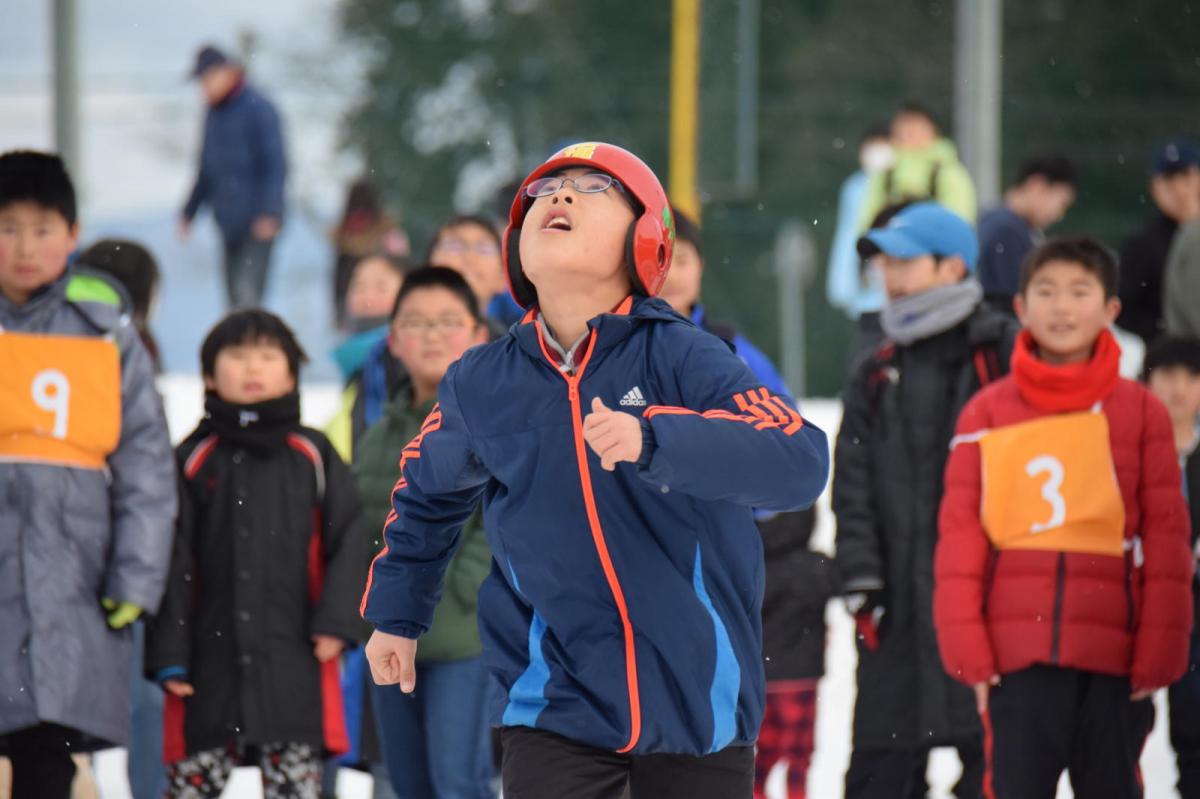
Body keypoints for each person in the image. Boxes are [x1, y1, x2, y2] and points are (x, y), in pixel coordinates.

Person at [361, 142, 830, 799]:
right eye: (545, 191)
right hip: (552, 705)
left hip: (700, 706)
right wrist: (398, 612)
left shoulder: (687, 357)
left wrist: (658, 438)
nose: (560, 196)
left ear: (645, 240)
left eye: (591, 188)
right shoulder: (482, 382)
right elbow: (426, 498)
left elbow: (799, 459)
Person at [935, 238, 1193, 798]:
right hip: (1016, 662)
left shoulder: (1141, 411)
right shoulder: (987, 411)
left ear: (1111, 310)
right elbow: (961, 539)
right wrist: (966, 647)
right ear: (1021, 307)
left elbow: (1167, 537)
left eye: (1080, 292)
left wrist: (1160, 647)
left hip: (1115, 662)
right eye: (1046, 292)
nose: (1062, 307)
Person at [0, 150, 176, 798]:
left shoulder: (103, 335)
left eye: (42, 228)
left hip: (71, 593)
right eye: (7, 226)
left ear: (72, 237)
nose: (24, 246)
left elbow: (146, 467)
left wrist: (135, 574)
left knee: (48, 759)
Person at [833, 201, 1018, 799]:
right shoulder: (875, 364)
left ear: (951, 268)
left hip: (987, 607)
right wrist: (860, 575)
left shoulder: (1002, 353)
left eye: (903, 260)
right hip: (896, 610)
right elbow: (852, 483)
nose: (889, 274)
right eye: (884, 261)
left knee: (997, 772)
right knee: (877, 776)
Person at [145, 309, 368, 798]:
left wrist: (336, 623)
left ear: (290, 373)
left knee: (295, 785)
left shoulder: (312, 454)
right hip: (208, 663)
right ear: (208, 374)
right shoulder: (192, 457)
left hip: (297, 658)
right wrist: (171, 655)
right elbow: (172, 561)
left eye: (268, 356)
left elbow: (350, 539)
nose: (252, 368)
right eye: (238, 356)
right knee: (189, 785)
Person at [656, 208, 833, 798]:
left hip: (720, 558)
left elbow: (787, 452)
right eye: (662, 255)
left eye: (684, 258)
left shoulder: (734, 353)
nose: (673, 271)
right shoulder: (610, 349)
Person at [354, 266, 494, 798]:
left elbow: (493, 524)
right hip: (389, 636)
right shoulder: (381, 429)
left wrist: (458, 596)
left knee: (457, 782)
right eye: (415, 322)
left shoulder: (492, 419)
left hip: (462, 639)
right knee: (406, 783)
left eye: (447, 321)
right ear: (393, 340)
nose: (431, 335)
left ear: (479, 334)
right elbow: (367, 526)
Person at [179, 44, 287, 309]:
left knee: (247, 296)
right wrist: (189, 212)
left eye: (207, 79)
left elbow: (274, 164)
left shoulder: (259, 108)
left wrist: (269, 211)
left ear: (227, 73)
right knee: (231, 301)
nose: (204, 87)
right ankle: (235, 349)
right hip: (228, 222)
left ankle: (253, 348)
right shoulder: (213, 115)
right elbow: (206, 168)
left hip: (258, 222)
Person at [1143, 335, 1200, 798]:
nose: (1178, 389)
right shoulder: (1132, 454)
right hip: (1141, 605)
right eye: (1167, 375)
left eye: (1190, 377)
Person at [659, 209, 791, 398]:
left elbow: (786, 417)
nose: (671, 276)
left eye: (682, 261)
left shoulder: (731, 347)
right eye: (661, 261)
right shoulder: (626, 348)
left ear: (700, 265)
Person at [1117, 139, 1200, 344]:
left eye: (1186, 178)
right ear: (1154, 189)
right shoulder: (1144, 243)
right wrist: (1167, 332)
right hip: (1172, 360)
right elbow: (1124, 307)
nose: (1180, 190)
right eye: (1169, 182)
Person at [977, 155, 1077, 314]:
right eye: (1062, 202)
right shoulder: (1006, 231)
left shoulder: (1000, 222)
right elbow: (1010, 301)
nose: (1059, 214)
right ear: (1037, 185)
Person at [826, 125, 892, 355]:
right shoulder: (854, 187)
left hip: (899, 288)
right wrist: (843, 285)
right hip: (866, 287)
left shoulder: (900, 183)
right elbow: (847, 237)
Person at [858, 102, 976, 230]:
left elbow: (960, 223)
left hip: (933, 246)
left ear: (933, 131)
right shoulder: (885, 172)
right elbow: (868, 221)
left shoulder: (948, 172)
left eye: (916, 127)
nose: (910, 133)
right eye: (904, 127)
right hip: (891, 247)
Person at [331, 180, 410, 328]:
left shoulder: (344, 236)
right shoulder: (388, 233)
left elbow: (338, 279)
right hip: (389, 311)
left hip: (353, 315)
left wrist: (339, 312)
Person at [427, 214, 523, 328]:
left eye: (484, 249)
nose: (469, 257)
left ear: (502, 278)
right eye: (454, 246)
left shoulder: (515, 343)